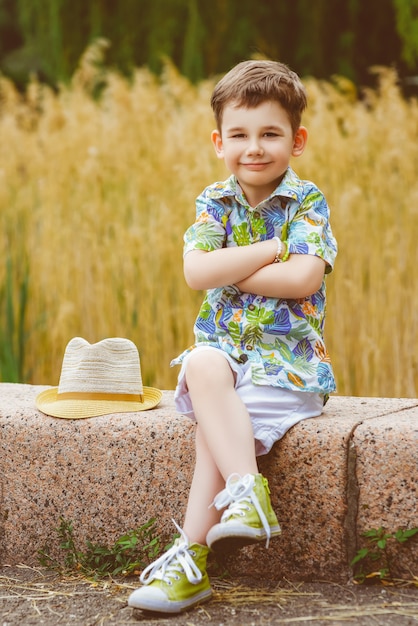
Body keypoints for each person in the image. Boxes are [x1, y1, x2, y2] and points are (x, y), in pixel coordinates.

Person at [128, 59, 337, 614]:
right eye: (240, 135)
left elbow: (304, 278)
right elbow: (197, 273)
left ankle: (191, 558)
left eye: (271, 134)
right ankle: (246, 495)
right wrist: (272, 248)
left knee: (211, 439)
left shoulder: (307, 202)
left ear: (298, 139)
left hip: (284, 365)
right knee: (200, 362)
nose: (255, 148)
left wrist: (229, 263)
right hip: (225, 359)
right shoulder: (213, 202)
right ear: (219, 141)